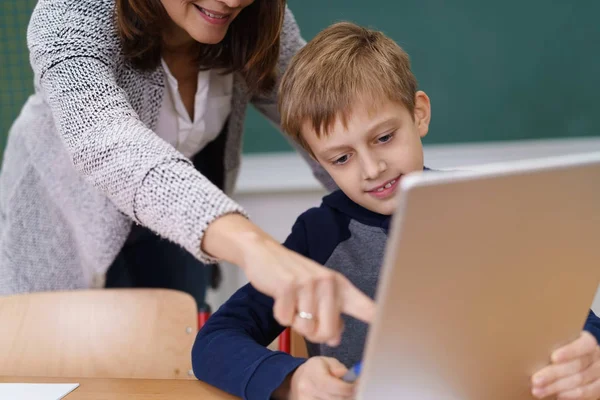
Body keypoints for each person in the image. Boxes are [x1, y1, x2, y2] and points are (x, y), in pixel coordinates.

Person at [191, 22, 600, 400]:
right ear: (317, 158)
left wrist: (590, 349)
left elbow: (573, 316)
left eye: (384, 137)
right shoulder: (318, 236)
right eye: (341, 159)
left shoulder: (486, 208)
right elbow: (214, 341)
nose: (372, 169)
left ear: (418, 114)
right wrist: (293, 379)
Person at [0, 0, 374, 344]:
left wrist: (397, 221)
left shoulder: (257, 18)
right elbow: (107, 142)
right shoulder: (72, 14)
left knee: (173, 351)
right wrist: (254, 247)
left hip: (177, 218)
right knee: (64, 356)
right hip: (62, 219)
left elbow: (325, 124)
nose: (231, 1)